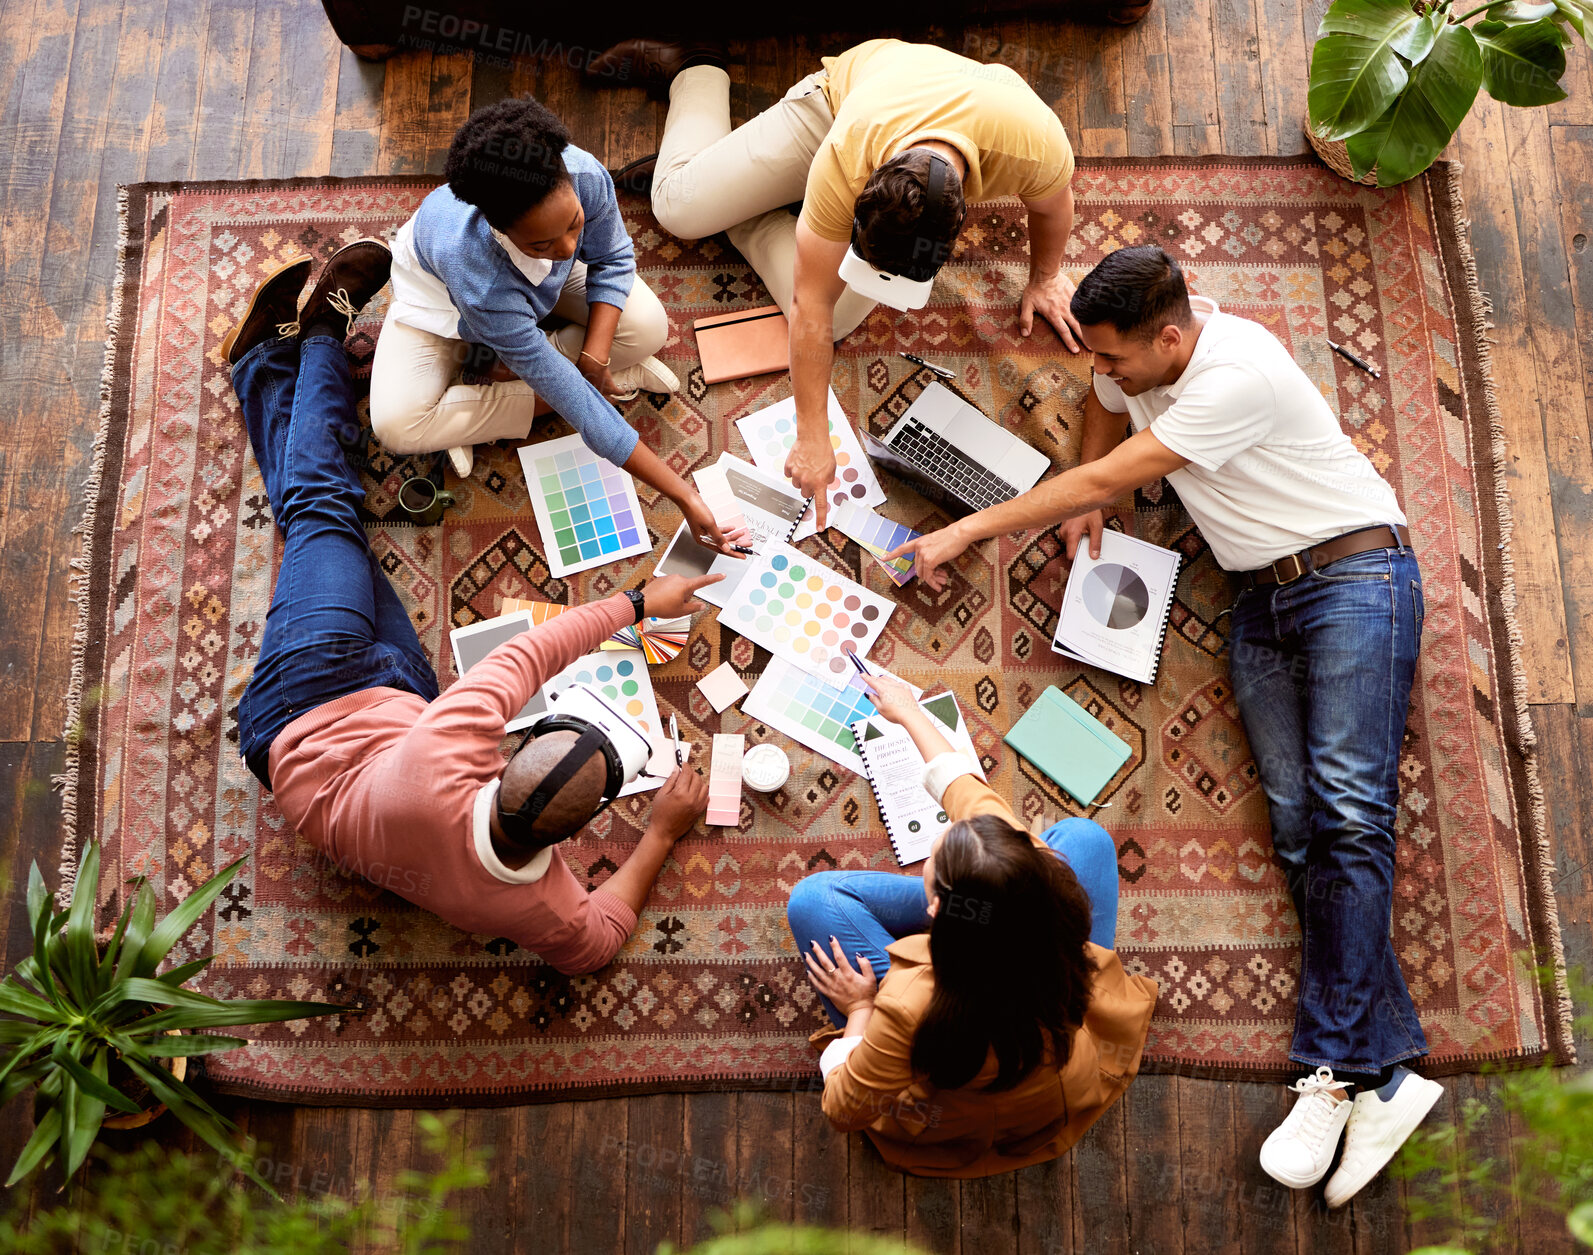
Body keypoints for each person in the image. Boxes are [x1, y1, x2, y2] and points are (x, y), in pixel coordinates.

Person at [890, 244, 1445, 1204]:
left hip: (1357, 575)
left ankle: (1330, 1069)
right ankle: (1387, 1073)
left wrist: (968, 528)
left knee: (1351, 813)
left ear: (1173, 338)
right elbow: (1107, 420)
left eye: (1112, 357)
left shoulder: (1234, 377)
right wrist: (1089, 485)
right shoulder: (1148, 357)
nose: (1096, 373)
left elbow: (1132, 446)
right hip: (1261, 602)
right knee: (1303, 829)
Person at [224, 243, 724, 975]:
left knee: (322, 511)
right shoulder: (542, 904)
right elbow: (598, 942)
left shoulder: (450, 746)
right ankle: (279, 354)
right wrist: (659, 834)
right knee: (330, 524)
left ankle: (303, 347)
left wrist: (641, 599)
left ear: (505, 758)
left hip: (303, 705)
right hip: (391, 716)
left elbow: (529, 655)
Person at [583, 37, 1084, 526]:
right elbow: (809, 305)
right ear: (861, 200)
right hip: (831, 108)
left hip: (923, 118)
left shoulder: (1034, 143)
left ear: (957, 221)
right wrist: (812, 434)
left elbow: (1053, 206)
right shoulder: (844, 157)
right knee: (677, 207)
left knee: (844, 318)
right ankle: (698, 67)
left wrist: (1045, 277)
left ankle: (741, 199)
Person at [785, 673, 1156, 1177]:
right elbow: (967, 791)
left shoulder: (909, 1003)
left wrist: (860, 1008)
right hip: (1063, 1050)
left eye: (930, 876)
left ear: (937, 913)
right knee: (1085, 839)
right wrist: (910, 714)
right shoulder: (1046, 880)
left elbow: (844, 1109)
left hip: (959, 1109)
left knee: (812, 899)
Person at [370, 97, 734, 555]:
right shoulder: (481, 281)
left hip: (521, 301)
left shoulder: (580, 172)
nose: (566, 247)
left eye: (574, 224)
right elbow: (581, 408)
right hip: (445, 300)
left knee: (648, 328)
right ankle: (480, 391)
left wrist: (595, 357)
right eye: (542, 242)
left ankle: (483, 399)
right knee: (396, 426)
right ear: (501, 229)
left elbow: (614, 257)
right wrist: (684, 495)